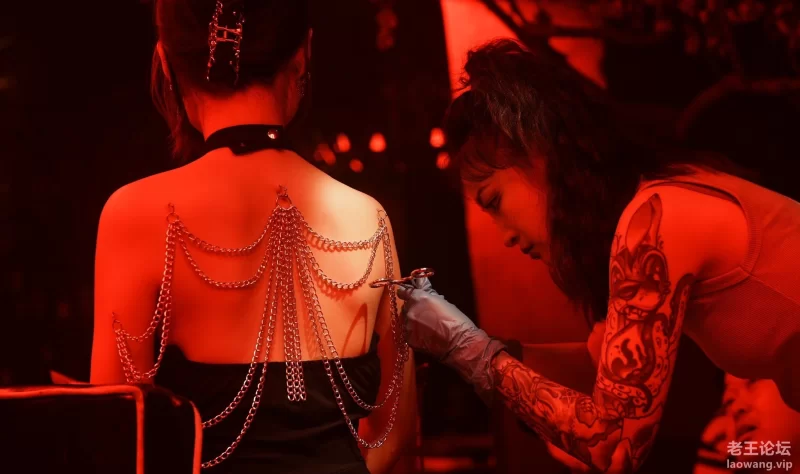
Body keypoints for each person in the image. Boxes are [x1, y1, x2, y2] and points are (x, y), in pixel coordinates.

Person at [398, 38, 800, 472]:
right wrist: (477, 345)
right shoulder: (659, 200)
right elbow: (602, 368)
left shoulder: (657, 218)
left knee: (739, 460)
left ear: (539, 150)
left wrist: (464, 345)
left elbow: (612, 443)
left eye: (494, 201)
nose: (505, 236)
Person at [89, 1, 417, 473]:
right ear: (303, 55)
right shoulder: (369, 218)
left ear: (164, 60)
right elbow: (393, 431)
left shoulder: (136, 214)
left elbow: (116, 438)